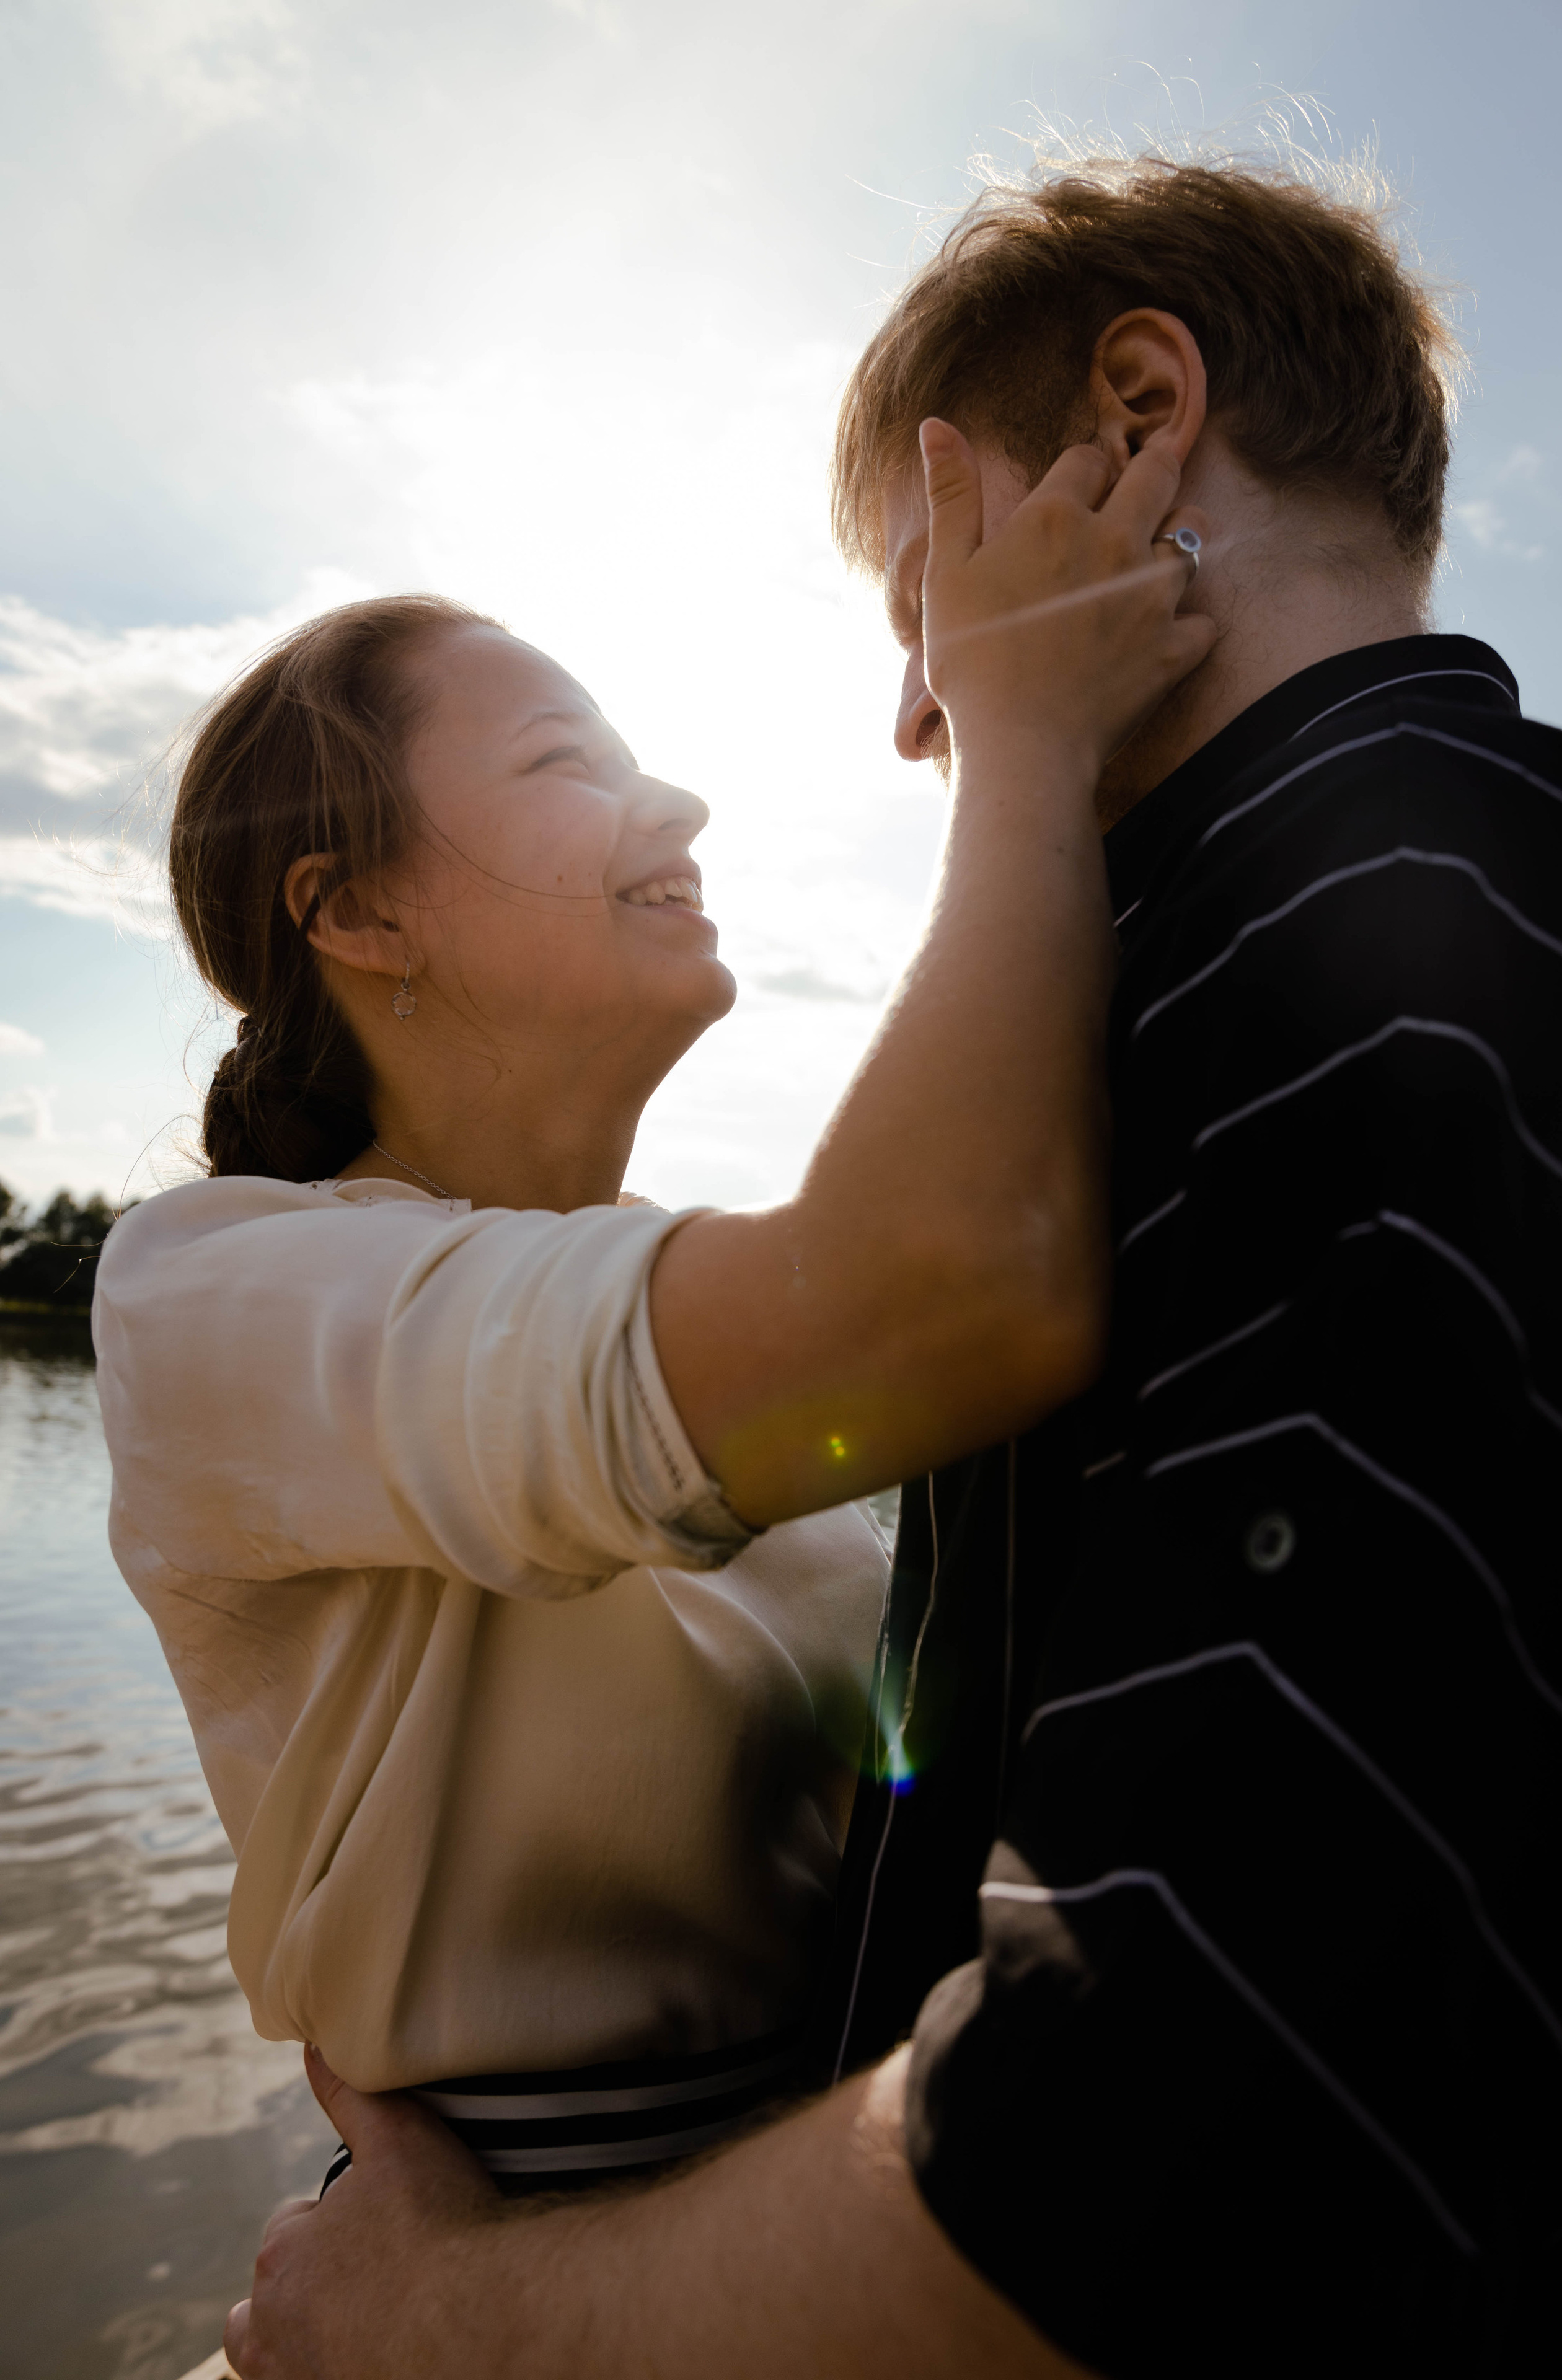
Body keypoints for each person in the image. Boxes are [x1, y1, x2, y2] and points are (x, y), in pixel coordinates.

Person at [221, 150, 1562, 2379]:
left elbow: (1149, 2162)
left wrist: (451, 2322)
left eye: (912, 611)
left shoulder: (1347, 964)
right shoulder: (1424, 912)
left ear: (1140, 423)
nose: (918, 724)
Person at [95, 395, 1207, 2195]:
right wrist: (1026, 735)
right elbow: (950, 1294)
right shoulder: (214, 1294)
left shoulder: (708, 1293)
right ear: (360, 914)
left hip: (816, 2220)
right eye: (565, 765)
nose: (674, 800)